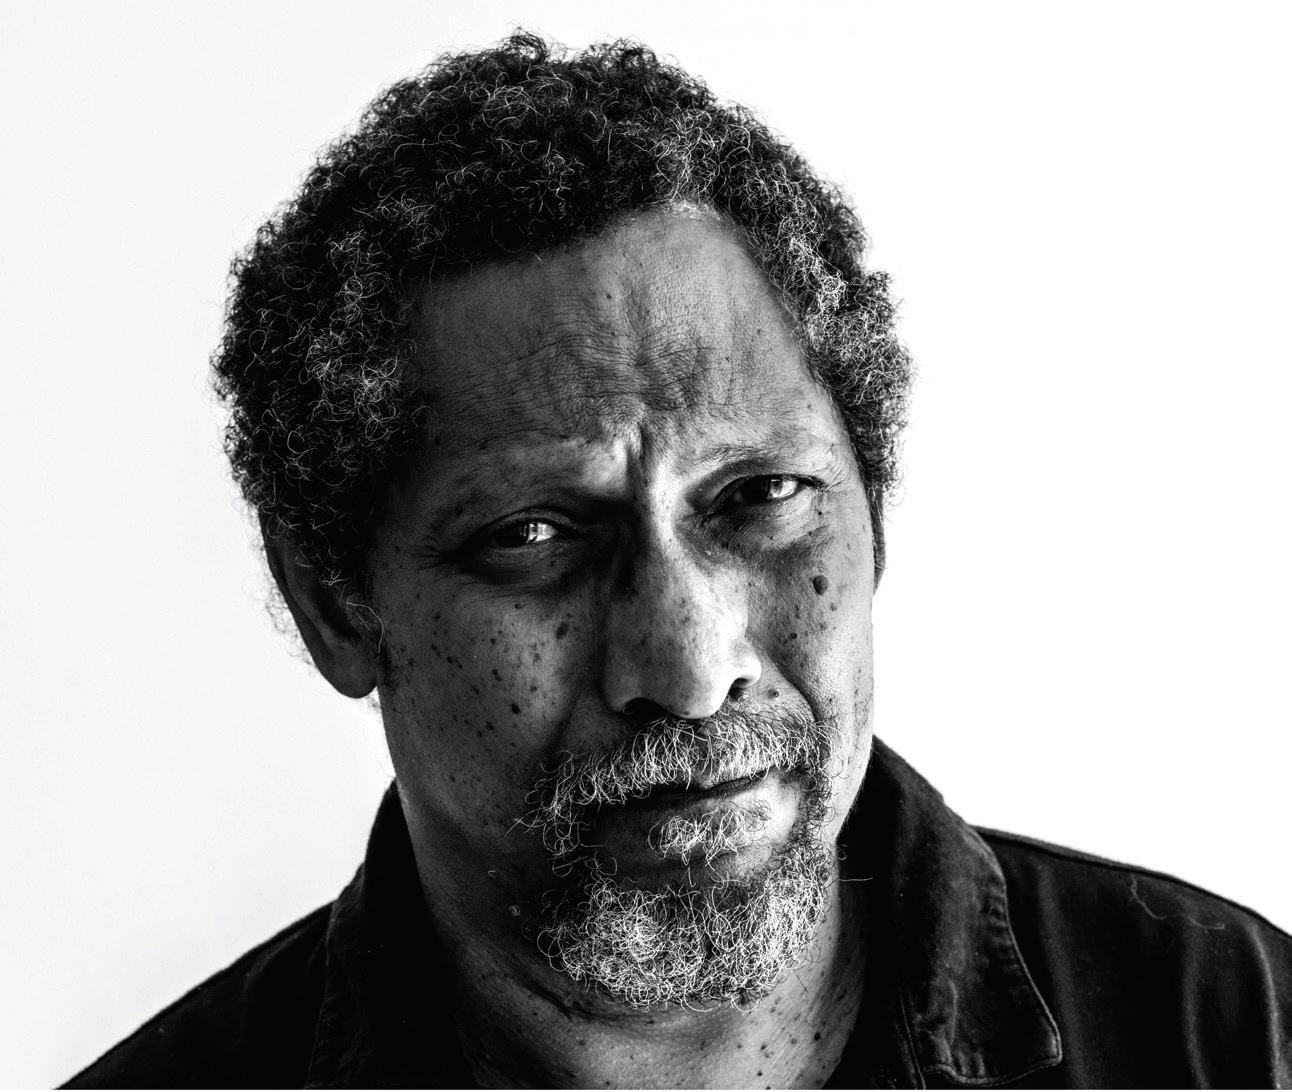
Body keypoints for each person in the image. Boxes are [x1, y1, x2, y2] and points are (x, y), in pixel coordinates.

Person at [66, 33, 1290, 1089]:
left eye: (760, 498)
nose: (689, 670)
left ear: (873, 515)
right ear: (334, 605)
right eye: (533, 536)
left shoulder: (1234, 1035)